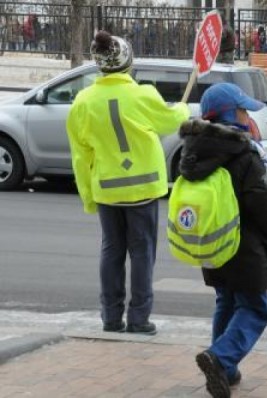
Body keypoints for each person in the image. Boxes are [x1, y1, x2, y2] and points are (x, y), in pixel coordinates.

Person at [66, 31, 190, 335]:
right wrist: (184, 109)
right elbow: (171, 120)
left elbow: (80, 157)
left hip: (107, 189)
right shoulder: (142, 94)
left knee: (111, 251)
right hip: (144, 188)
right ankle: (139, 319)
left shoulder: (83, 102)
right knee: (142, 252)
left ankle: (110, 317)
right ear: (127, 62)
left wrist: (88, 196)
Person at [179, 82, 267, 398]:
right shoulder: (243, 153)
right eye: (242, 110)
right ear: (231, 115)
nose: (247, 116)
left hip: (212, 243)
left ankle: (226, 370)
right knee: (254, 309)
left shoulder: (193, 152)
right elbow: (260, 202)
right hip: (245, 247)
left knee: (226, 301)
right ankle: (220, 357)